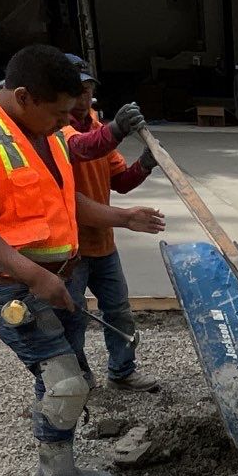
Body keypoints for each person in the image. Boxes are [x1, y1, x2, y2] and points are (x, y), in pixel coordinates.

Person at [0, 45, 162, 476]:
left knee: (68, 376)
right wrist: (37, 277)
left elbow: (66, 202)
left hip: (62, 278)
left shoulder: (46, 132)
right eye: (61, 112)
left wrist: (123, 217)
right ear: (24, 96)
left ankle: (57, 470)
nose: (69, 121)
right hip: (15, 287)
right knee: (64, 382)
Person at [63, 57, 161, 393]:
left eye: (88, 90)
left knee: (119, 311)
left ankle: (122, 372)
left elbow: (120, 181)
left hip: (103, 244)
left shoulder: (95, 126)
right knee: (72, 317)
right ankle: (77, 379)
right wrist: (117, 130)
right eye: (77, 91)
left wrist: (145, 164)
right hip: (70, 249)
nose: (83, 98)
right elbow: (82, 149)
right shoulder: (55, 131)